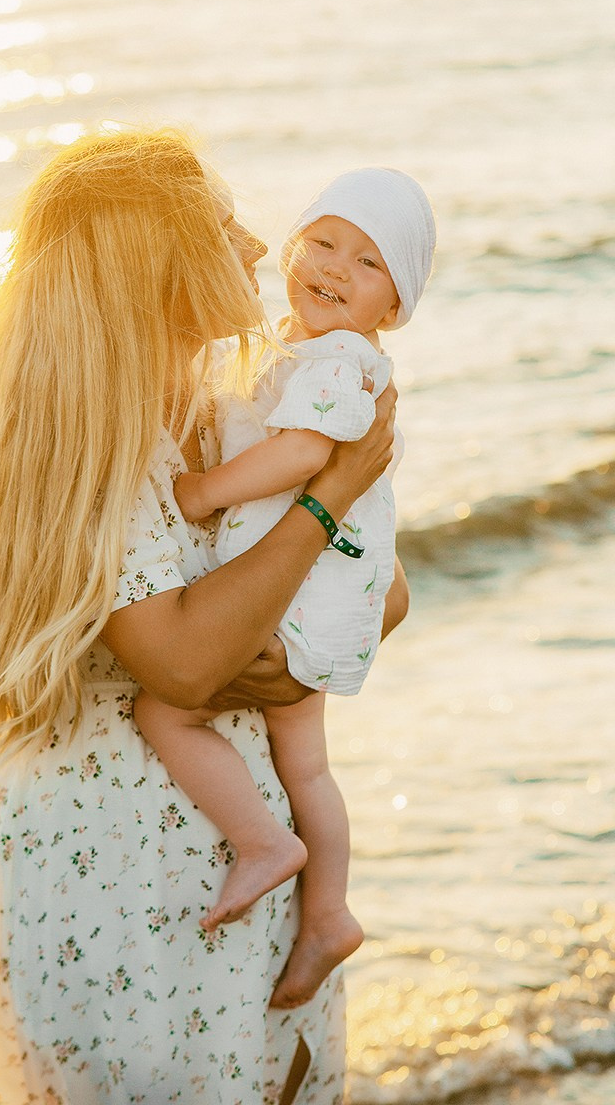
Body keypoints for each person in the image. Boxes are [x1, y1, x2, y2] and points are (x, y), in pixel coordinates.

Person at [0, 128, 401, 1105]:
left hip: (236, 863)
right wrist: (328, 497)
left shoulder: (226, 411)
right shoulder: (82, 443)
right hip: (117, 879)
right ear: (154, 264)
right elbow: (182, 664)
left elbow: (383, 592)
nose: (257, 246)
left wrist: (286, 642)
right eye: (222, 228)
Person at [134, 167, 435, 1009]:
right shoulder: (303, 350)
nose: (335, 267)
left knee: (165, 713)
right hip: (322, 594)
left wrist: (204, 491)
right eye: (324, 242)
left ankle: (263, 843)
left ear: (394, 307)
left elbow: (304, 453)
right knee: (309, 767)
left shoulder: (337, 361)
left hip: (294, 602)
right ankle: (327, 913)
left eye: (368, 262)